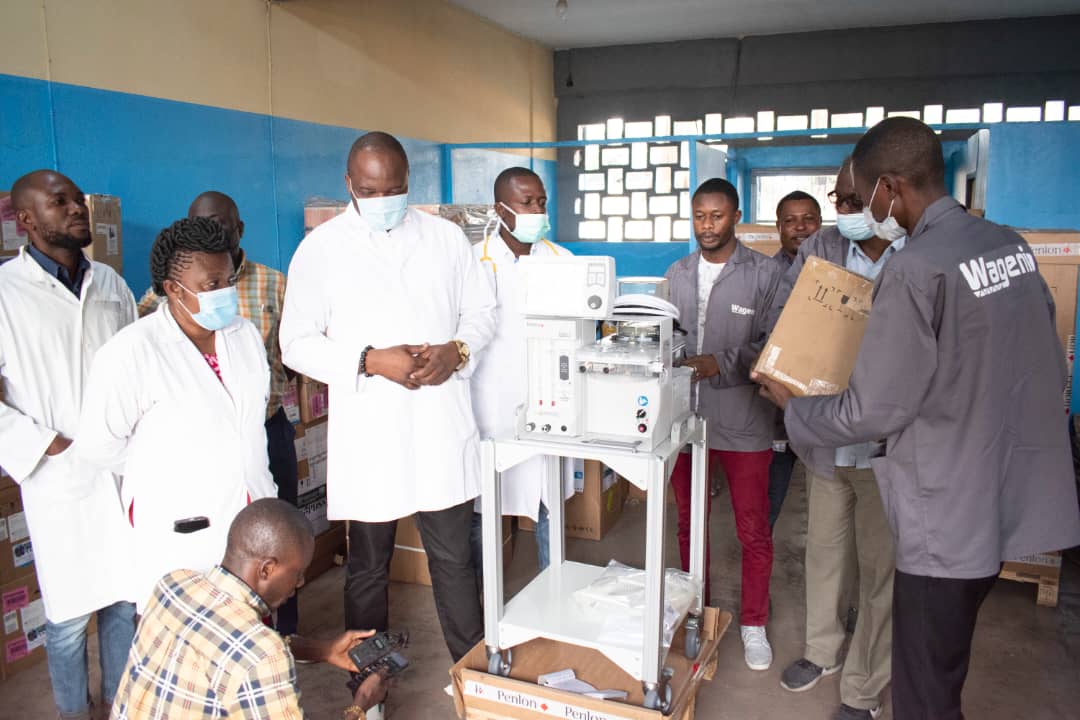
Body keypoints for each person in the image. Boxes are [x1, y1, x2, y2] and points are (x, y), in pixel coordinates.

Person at [754, 117, 1080, 720]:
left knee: (925, 687)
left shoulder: (916, 266)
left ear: (890, 188)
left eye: (865, 195)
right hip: (997, 491)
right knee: (944, 663)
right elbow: (1029, 361)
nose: (862, 208)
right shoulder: (1006, 246)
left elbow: (876, 407)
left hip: (942, 508)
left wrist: (794, 410)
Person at [279, 131, 496, 663]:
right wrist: (371, 359)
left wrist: (457, 350)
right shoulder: (321, 250)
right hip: (371, 433)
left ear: (408, 183)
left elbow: (482, 313)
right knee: (367, 568)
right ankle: (369, 683)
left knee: (453, 561)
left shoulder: (446, 239)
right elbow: (295, 344)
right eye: (370, 190)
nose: (383, 201)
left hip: (439, 426)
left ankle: (472, 676)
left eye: (394, 189)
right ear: (349, 183)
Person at [76, 216, 278, 611]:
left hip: (251, 517)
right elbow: (98, 447)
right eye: (211, 285)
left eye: (229, 281)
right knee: (188, 651)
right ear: (173, 289)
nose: (225, 293)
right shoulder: (131, 352)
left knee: (249, 637)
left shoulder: (245, 335)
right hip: (180, 530)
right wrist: (168, 461)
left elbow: (249, 423)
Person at [0, 170, 137, 720]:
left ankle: (123, 705)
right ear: (27, 220)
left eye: (77, 200)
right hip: (56, 476)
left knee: (124, 604)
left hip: (119, 468)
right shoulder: (6, 292)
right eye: (60, 203)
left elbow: (134, 368)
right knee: (68, 619)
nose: (77, 209)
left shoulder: (111, 284)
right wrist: (42, 443)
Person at [772, 159, 902, 720]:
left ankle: (864, 687)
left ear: (888, 197)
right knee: (823, 553)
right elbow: (791, 317)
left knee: (881, 570)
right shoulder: (821, 249)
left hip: (887, 446)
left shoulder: (915, 256)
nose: (844, 211)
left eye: (854, 200)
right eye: (840, 200)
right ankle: (822, 651)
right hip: (827, 437)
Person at [137, 191, 300, 634]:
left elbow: (292, 352)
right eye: (212, 287)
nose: (222, 293)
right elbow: (110, 441)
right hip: (193, 468)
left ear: (239, 229)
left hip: (266, 429)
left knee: (278, 543)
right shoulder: (147, 319)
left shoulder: (269, 289)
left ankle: (282, 639)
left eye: (221, 226)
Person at [111, 498, 390, 720]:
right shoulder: (264, 655)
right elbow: (255, 651)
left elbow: (231, 644)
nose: (301, 582)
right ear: (267, 568)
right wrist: (360, 705)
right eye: (297, 572)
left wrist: (325, 650)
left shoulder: (174, 585)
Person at [665, 178, 782, 671]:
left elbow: (777, 341)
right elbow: (664, 335)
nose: (706, 225)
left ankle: (753, 623)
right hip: (685, 421)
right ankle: (699, 612)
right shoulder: (677, 272)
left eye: (716, 215)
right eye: (698, 216)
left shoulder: (765, 273)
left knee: (752, 528)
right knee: (691, 525)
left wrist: (720, 363)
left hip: (743, 423)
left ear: (735, 216)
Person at [469, 166, 574, 575]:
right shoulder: (475, 262)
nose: (537, 210)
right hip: (489, 406)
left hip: (548, 404)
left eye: (541, 201)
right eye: (526, 203)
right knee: (483, 509)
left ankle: (555, 592)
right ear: (500, 209)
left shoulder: (562, 261)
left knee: (549, 505)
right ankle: (481, 606)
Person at [767, 190, 822, 526]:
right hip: (776, 409)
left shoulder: (838, 275)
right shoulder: (767, 275)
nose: (800, 227)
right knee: (769, 502)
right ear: (779, 227)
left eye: (809, 219)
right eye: (791, 220)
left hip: (826, 408)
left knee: (828, 506)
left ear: (822, 223)